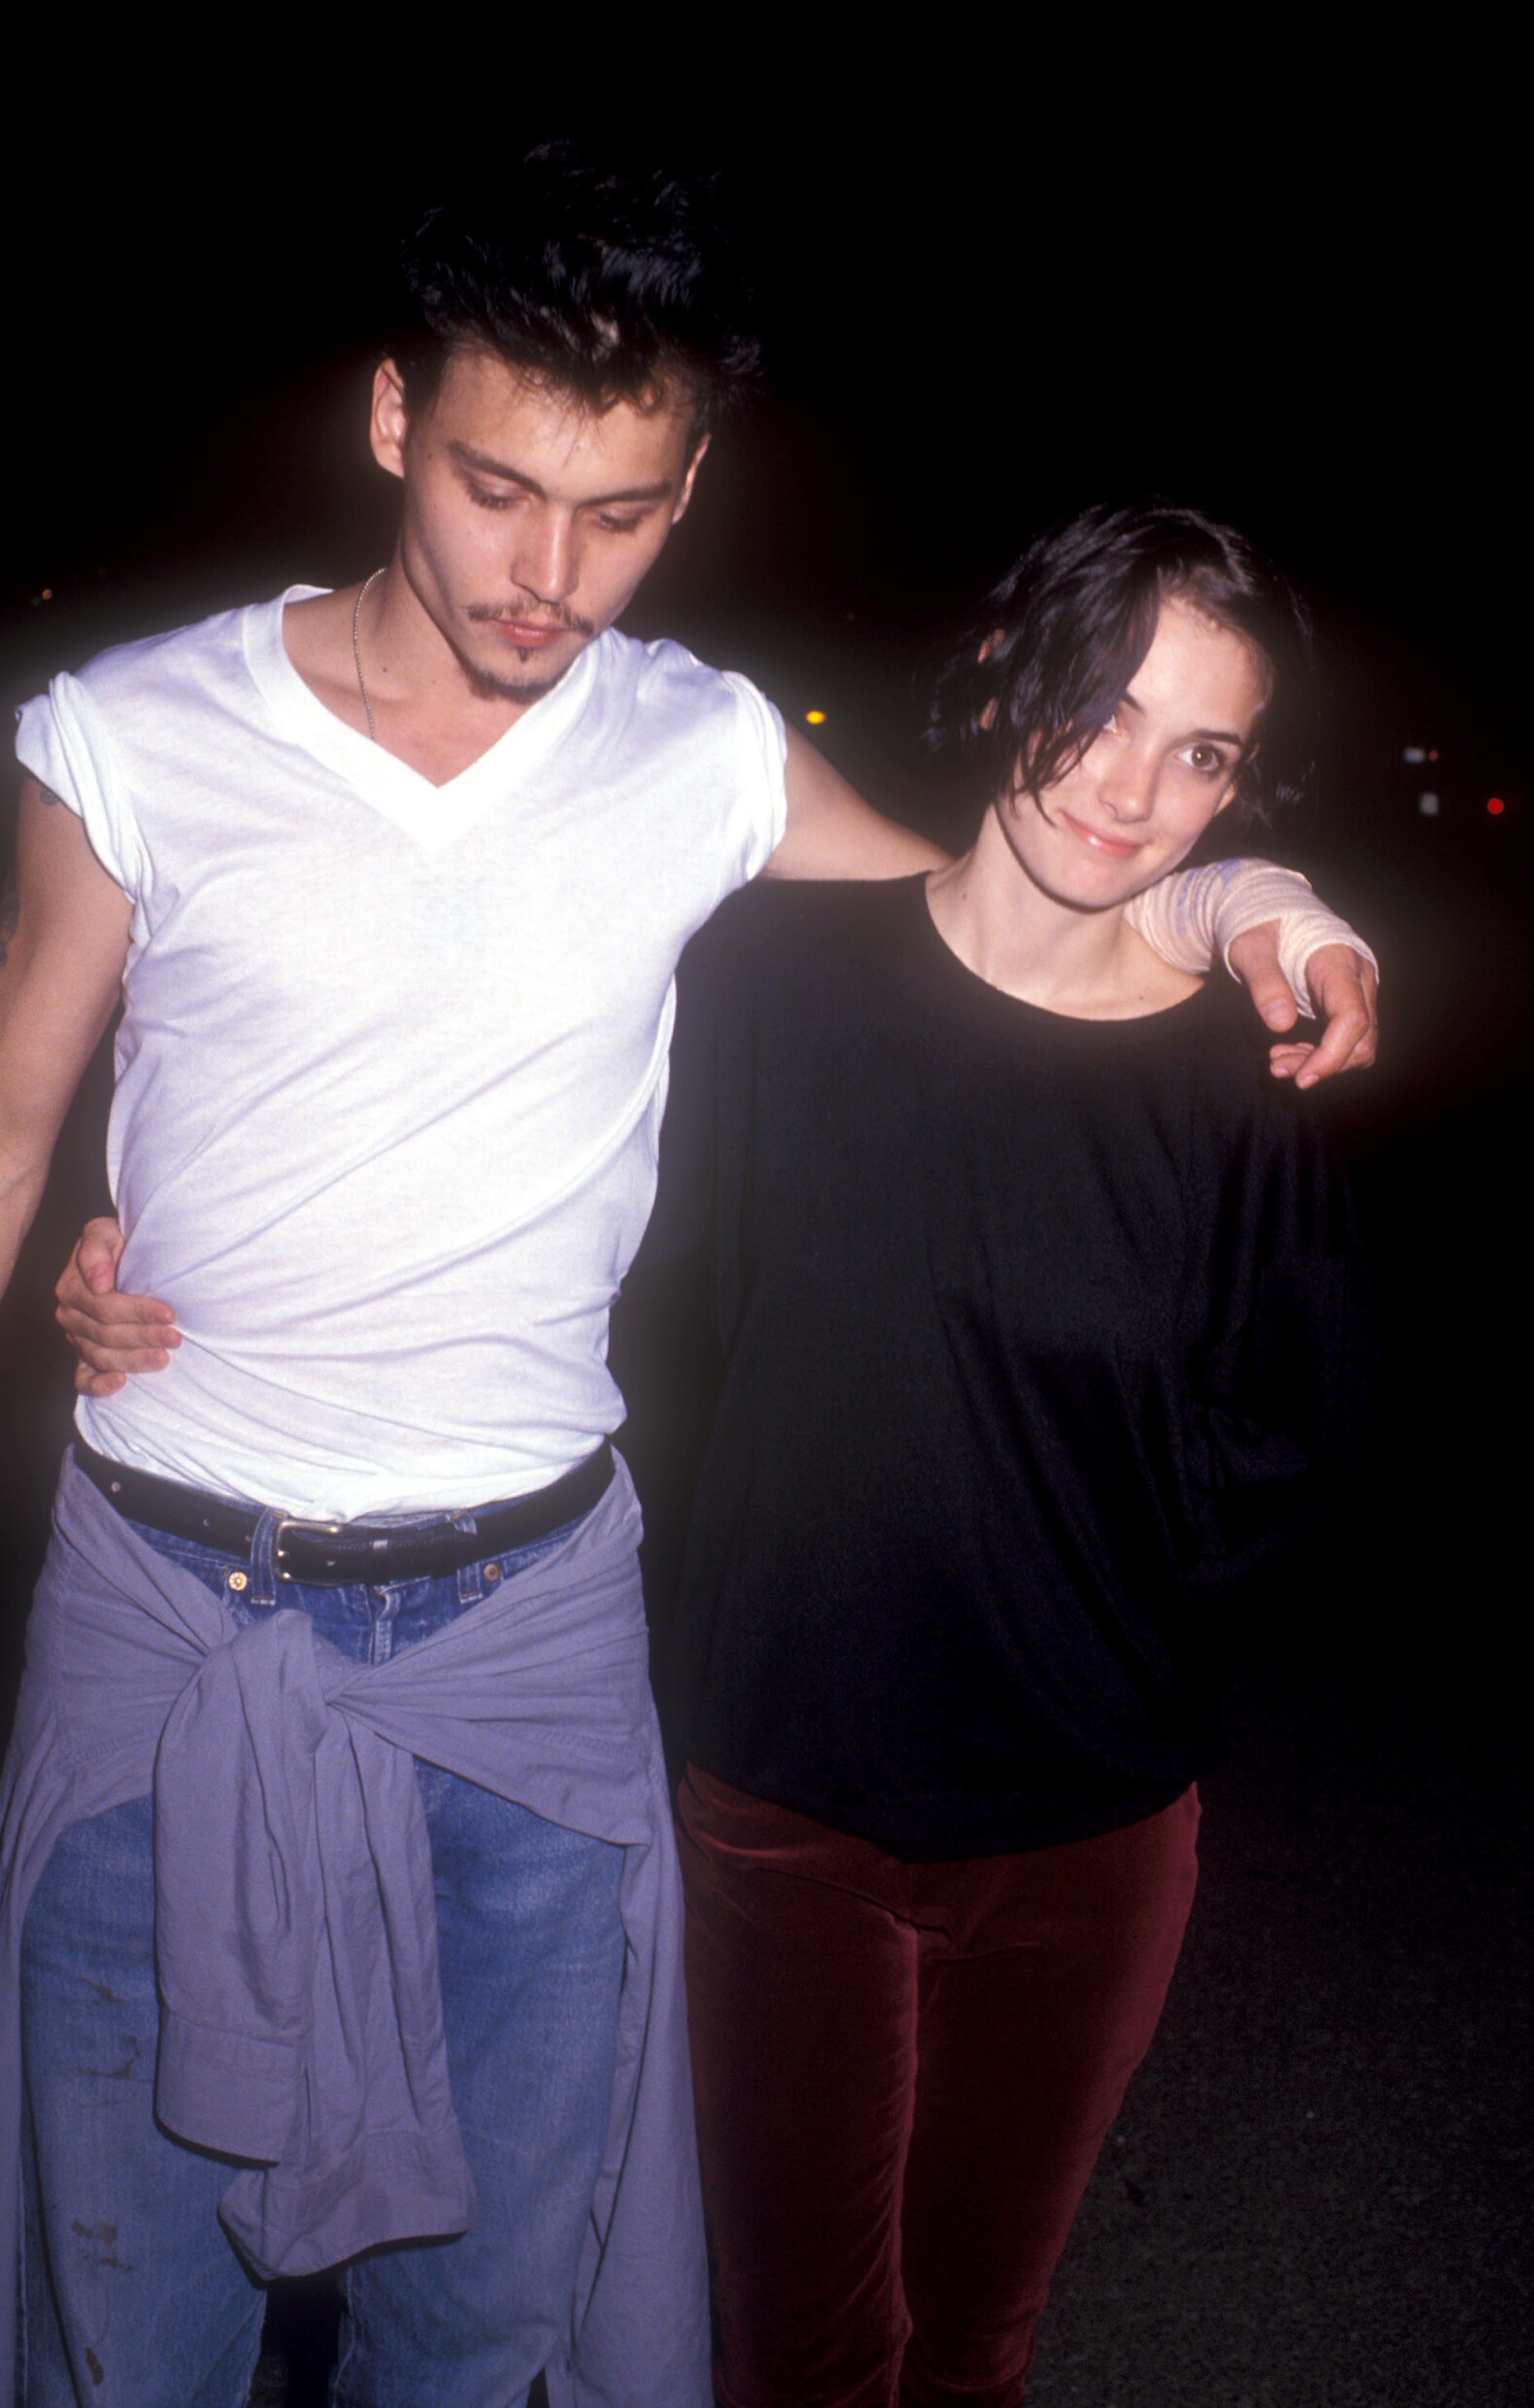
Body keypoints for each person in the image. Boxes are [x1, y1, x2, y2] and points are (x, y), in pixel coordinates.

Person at [0, 139, 1374, 2408]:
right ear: (392, 418)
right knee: (132, 2321)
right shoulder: (139, 730)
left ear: (687, 490)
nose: (546, 573)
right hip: (173, 1603)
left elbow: (1001, 921)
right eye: (496, 490)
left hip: (535, 1637)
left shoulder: (696, 750)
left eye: (618, 513)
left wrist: (1247, 887)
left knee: (491, 2322)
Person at [612, 502, 1379, 2408]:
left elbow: (1288, 1431)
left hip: (1079, 1831)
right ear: (995, 676)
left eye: (1198, 752)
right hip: (782, 1796)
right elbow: (627, 1287)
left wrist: (1099, 1631)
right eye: (1097, 710)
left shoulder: (1236, 1080)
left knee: (972, 2346)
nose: (1130, 789)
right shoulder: (768, 986)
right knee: (797, 2356)